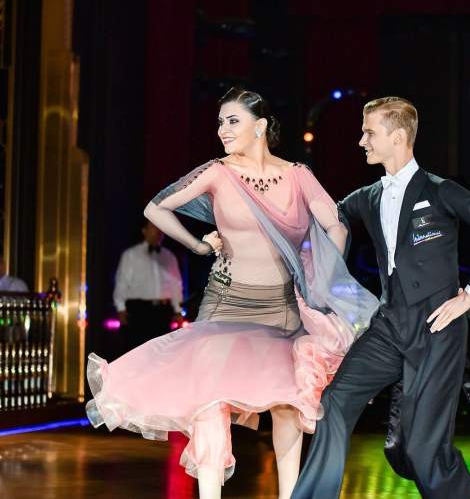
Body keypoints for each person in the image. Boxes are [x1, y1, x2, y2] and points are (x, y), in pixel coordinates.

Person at [85, 88, 379, 499]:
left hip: (281, 307)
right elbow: (156, 208)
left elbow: (336, 225)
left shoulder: (298, 175)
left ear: (260, 127)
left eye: (232, 121)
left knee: (287, 405)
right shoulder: (218, 172)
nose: (222, 129)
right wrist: (198, 245)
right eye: (220, 122)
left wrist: (319, 278)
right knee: (210, 401)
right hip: (225, 303)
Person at [291, 97, 470, 499]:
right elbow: (325, 218)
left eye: (369, 132)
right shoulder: (369, 196)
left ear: (398, 136)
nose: (361, 141)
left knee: (424, 451)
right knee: (333, 402)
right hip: (389, 326)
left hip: (438, 330)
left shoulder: (441, 191)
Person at [113, 219, 183, 351]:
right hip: (139, 312)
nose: (158, 231)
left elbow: (176, 286)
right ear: (144, 231)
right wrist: (121, 309)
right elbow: (122, 283)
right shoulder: (131, 255)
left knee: (162, 352)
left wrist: (178, 311)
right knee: (138, 351)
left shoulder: (169, 257)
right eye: (153, 227)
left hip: (162, 312)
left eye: (160, 227)